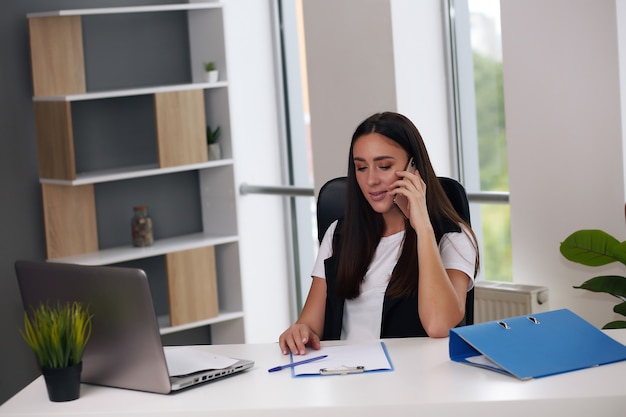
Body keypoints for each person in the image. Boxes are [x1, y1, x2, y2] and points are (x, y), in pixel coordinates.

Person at [279, 112, 479, 355]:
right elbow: (310, 324)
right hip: (346, 377)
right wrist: (300, 331)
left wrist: (423, 228)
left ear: (413, 167)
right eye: (361, 168)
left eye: (384, 166)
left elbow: (439, 325)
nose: (371, 179)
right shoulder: (339, 233)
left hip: (412, 382)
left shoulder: (452, 237)